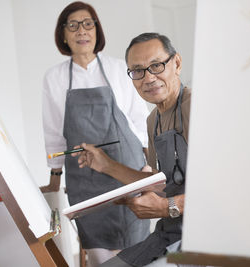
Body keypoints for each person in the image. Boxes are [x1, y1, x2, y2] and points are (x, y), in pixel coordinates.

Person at [41, 2, 151, 266]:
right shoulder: (54, 77)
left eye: (88, 23)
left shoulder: (117, 68)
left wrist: (150, 165)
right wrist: (55, 180)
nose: (82, 31)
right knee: (101, 257)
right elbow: (54, 132)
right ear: (64, 34)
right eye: (74, 25)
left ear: (97, 30)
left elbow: (138, 118)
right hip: (84, 180)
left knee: (139, 253)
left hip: (127, 174)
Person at [73, 32, 191, 267]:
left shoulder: (196, 107)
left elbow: (226, 190)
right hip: (167, 234)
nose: (148, 78)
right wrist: (106, 165)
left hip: (203, 237)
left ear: (176, 63)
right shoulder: (153, 120)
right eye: (137, 71)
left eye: (156, 66)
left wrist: (167, 207)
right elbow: (161, 184)